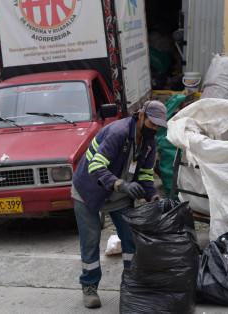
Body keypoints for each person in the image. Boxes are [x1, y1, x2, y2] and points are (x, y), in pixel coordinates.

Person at [71, 100, 167, 308]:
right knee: (90, 241)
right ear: (141, 116)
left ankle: (131, 286)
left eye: (159, 126)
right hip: (89, 192)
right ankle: (89, 287)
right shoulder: (118, 132)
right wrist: (120, 184)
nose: (155, 129)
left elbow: (145, 174)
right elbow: (96, 165)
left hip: (118, 196)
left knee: (130, 240)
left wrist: (153, 197)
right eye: (153, 124)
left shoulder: (149, 143)